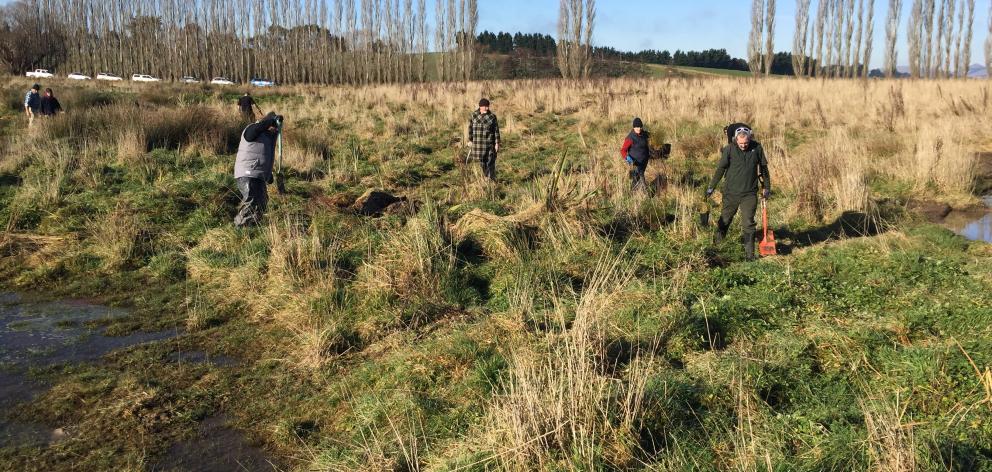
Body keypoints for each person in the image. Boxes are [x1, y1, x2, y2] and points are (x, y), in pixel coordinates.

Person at [706, 126, 771, 261]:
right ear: (736, 140)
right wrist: (711, 186)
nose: (743, 146)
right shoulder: (729, 149)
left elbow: (764, 168)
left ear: (750, 139)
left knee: (748, 222)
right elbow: (721, 169)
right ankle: (717, 246)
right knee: (725, 219)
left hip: (749, 193)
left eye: (746, 143)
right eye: (740, 143)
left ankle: (750, 256)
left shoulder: (757, 148)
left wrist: (767, 187)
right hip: (731, 193)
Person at [233, 112, 282, 227]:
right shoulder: (251, 129)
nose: (274, 129)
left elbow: (265, 158)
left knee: (262, 202)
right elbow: (257, 129)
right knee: (251, 201)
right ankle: (240, 227)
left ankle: (252, 226)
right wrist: (271, 120)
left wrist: (268, 175)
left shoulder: (268, 139)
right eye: (272, 126)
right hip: (248, 173)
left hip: (258, 176)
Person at [467, 98, 501, 180]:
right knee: (482, 163)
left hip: (489, 144)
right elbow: (470, 128)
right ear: (480, 106)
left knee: (490, 163)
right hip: (478, 145)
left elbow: (496, 130)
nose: (487, 108)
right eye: (485, 106)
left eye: (488, 106)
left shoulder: (492, 117)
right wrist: (470, 140)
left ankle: (491, 180)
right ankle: (486, 178)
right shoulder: (474, 115)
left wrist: (497, 143)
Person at [619, 117, 650, 190]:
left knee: (636, 178)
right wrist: (627, 158)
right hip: (635, 162)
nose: (638, 128)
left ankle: (633, 192)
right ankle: (645, 193)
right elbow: (623, 150)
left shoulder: (644, 134)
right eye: (636, 127)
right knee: (641, 177)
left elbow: (652, 139)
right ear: (633, 127)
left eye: (640, 127)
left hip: (644, 160)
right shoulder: (630, 138)